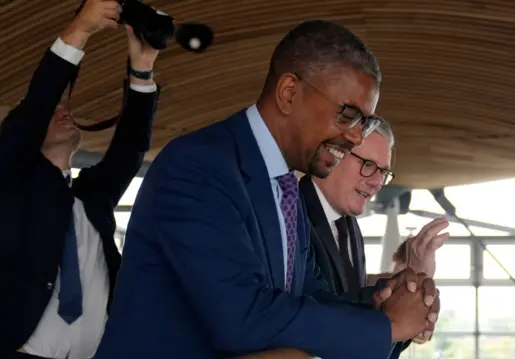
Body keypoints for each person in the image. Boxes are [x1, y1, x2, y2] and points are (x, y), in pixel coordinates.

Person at [93, 19, 438, 359]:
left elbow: (310, 297)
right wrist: (388, 326)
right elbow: (241, 317)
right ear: (289, 93)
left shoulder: (285, 186)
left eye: (366, 123)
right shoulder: (199, 166)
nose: (356, 137)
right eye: (348, 115)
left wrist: (387, 300)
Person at [0, 1, 161, 358]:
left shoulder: (90, 199)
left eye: (64, 108)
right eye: (53, 112)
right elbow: (36, 107)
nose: (63, 111)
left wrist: (143, 67)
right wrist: (80, 30)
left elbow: (131, 147)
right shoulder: (10, 184)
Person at [299, 120, 448, 357]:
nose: (377, 182)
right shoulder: (292, 217)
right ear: (333, 155)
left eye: (384, 172)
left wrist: (412, 309)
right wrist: (397, 318)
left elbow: (353, 320)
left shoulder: (349, 227)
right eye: (368, 165)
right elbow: (310, 319)